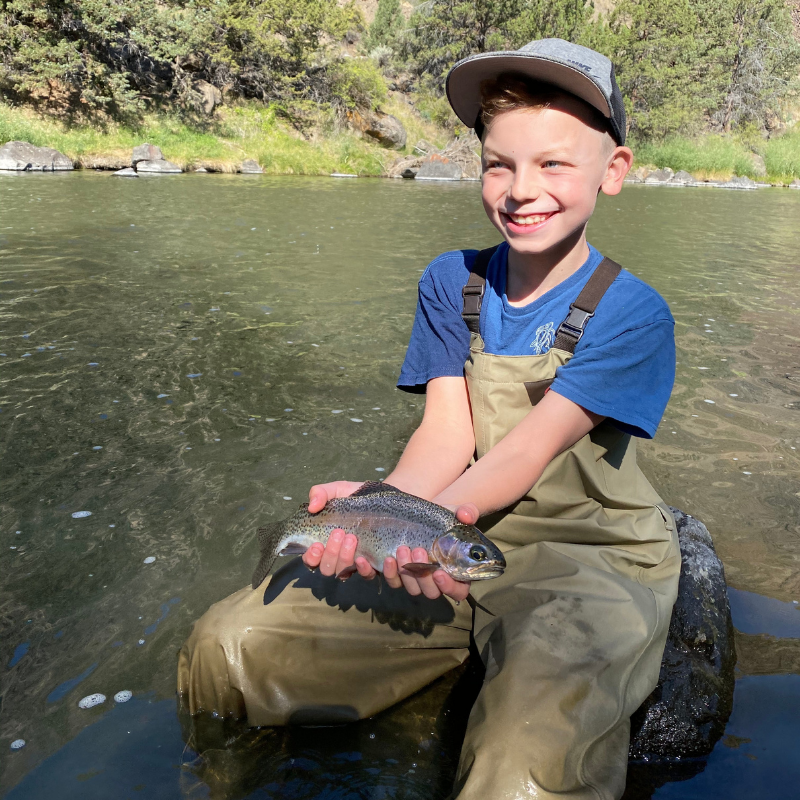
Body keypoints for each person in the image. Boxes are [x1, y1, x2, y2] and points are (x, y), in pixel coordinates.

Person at [178, 38, 681, 800]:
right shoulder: (453, 282)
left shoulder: (633, 313)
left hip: (585, 561)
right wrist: (378, 509)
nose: (520, 190)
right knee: (227, 645)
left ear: (613, 171)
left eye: (552, 164)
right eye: (499, 164)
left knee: (523, 770)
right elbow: (447, 434)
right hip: (453, 537)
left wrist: (418, 531)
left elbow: (526, 451)